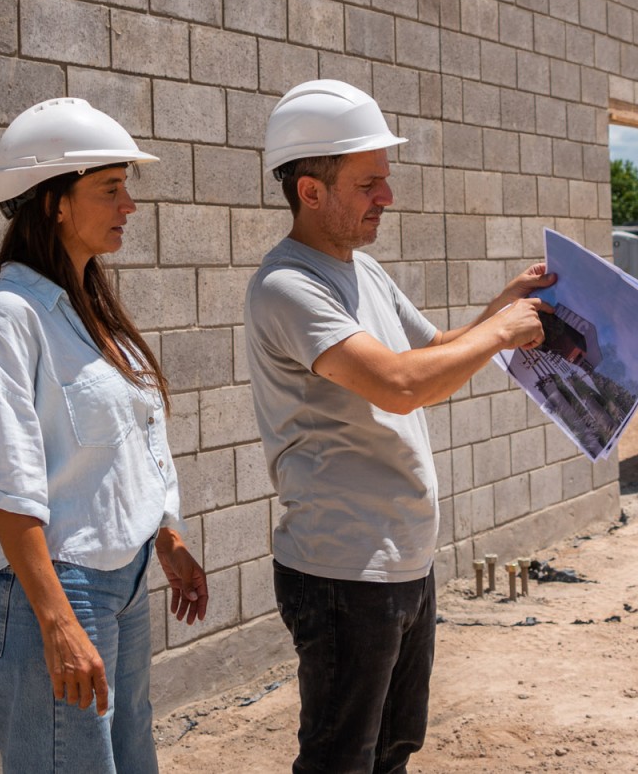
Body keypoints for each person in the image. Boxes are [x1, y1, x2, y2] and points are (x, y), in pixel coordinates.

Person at [243, 80, 554, 773]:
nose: (386, 196)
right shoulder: (289, 286)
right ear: (310, 191)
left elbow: (430, 353)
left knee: (393, 751)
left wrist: (501, 306)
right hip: (342, 568)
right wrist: (502, 333)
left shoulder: (364, 271)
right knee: (339, 762)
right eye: (368, 183)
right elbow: (400, 385)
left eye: (385, 179)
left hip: (399, 558)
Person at [0, 98, 209, 774]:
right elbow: (5, 481)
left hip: (120, 582)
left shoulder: (92, 312)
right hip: (56, 592)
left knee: (128, 762)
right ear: (54, 202)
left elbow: (131, 439)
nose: (129, 205)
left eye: (127, 188)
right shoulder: (9, 319)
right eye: (110, 188)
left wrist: (167, 535)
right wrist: (57, 622)